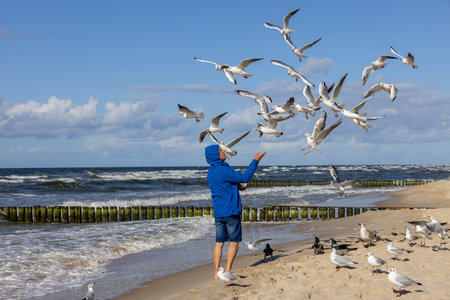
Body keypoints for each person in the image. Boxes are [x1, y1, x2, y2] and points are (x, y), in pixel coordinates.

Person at [204, 144, 266, 279]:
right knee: (233, 241)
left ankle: (216, 272)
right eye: (221, 150)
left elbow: (223, 186)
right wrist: (255, 161)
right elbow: (245, 177)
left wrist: (237, 187)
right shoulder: (223, 170)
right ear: (215, 154)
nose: (224, 151)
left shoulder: (211, 172)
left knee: (219, 242)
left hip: (219, 212)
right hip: (231, 210)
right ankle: (227, 270)